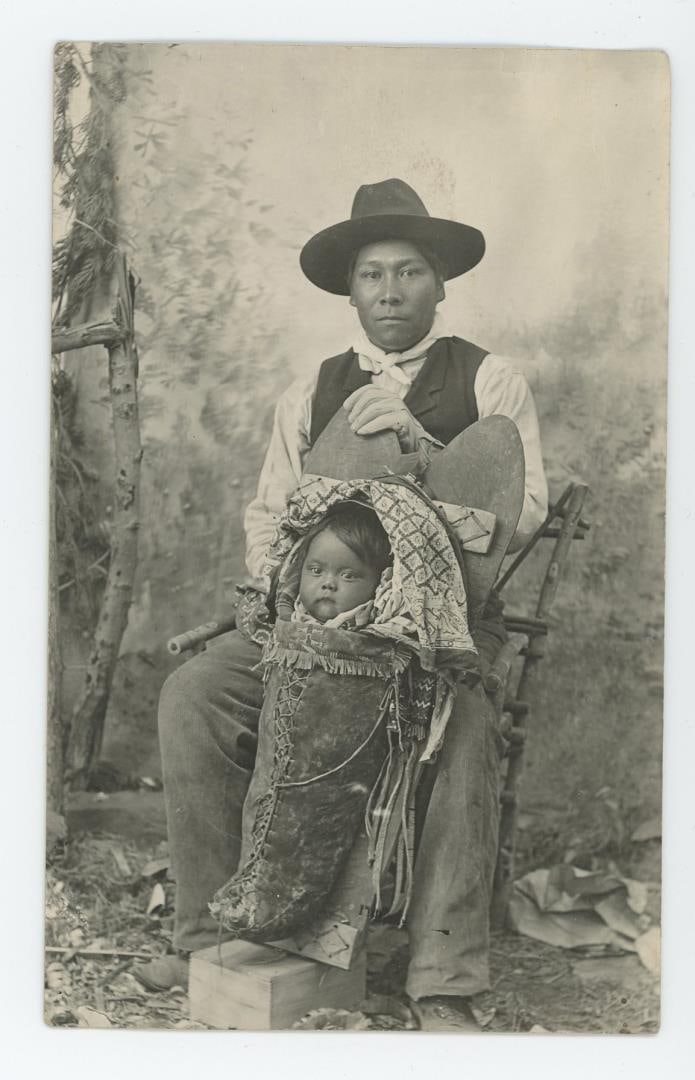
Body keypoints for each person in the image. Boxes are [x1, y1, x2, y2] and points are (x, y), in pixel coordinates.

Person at [134, 178, 548, 1032]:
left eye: (407, 273)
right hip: (314, 622)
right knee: (196, 695)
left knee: (461, 728)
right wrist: (291, 596)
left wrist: (418, 442)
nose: (389, 292)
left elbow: (523, 511)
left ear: (439, 284)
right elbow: (268, 508)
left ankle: (442, 977)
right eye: (371, 276)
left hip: (438, 631)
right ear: (349, 289)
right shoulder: (311, 390)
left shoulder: (489, 380)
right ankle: (209, 933)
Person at [294, 502, 392, 626]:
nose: (328, 584)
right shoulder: (279, 614)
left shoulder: (390, 631)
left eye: (348, 576)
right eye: (316, 570)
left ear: (380, 584)